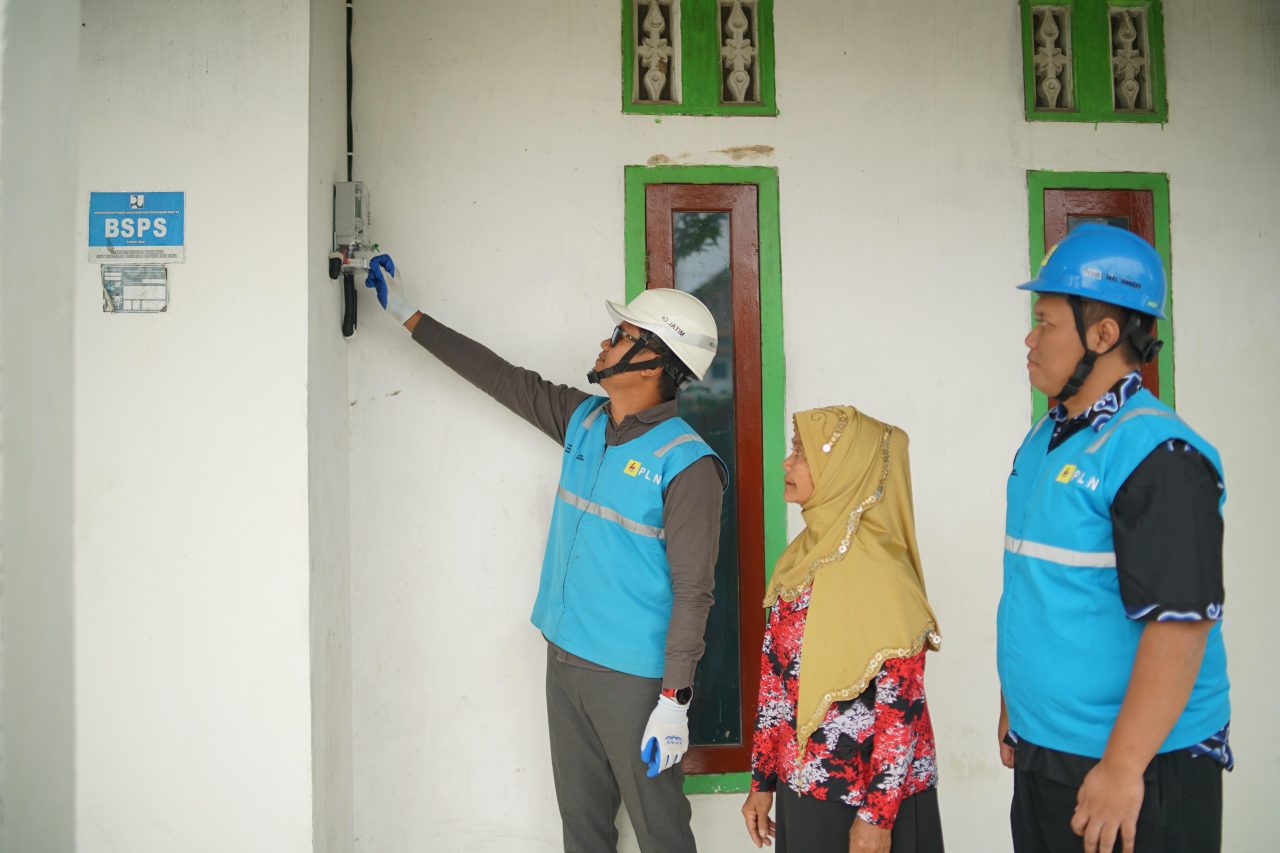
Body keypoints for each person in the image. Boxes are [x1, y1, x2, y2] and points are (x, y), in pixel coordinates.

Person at [367, 257, 727, 853]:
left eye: (621, 336)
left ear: (654, 363)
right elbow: (500, 377)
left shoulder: (688, 464)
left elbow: (695, 593)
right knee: (581, 827)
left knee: (660, 831)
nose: (605, 344)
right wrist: (409, 314)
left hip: (633, 680)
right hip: (564, 659)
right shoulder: (582, 419)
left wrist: (674, 700)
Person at [998, 223, 1232, 853]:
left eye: (1045, 322)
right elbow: (1036, 584)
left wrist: (1124, 768)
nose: (1030, 338)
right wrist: (1016, 701)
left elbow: (1181, 625)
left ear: (1103, 335)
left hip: (1134, 770)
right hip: (1049, 750)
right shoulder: (1047, 438)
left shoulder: (1159, 454)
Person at [742, 405, 945, 853]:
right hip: (802, 790)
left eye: (801, 452)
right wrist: (762, 780)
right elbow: (776, 685)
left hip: (871, 807)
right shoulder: (799, 560)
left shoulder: (884, 576)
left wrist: (877, 817)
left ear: (843, 469)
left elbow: (901, 709)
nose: (787, 463)